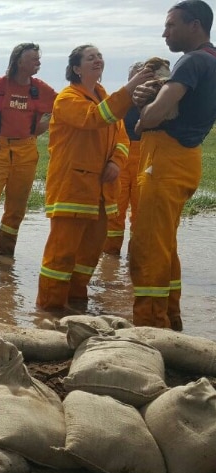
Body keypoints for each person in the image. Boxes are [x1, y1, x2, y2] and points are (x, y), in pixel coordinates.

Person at [36, 45, 154, 311]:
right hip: (72, 190)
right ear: (76, 68)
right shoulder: (67, 98)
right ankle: (49, 308)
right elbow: (95, 119)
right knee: (61, 255)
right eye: (90, 57)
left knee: (89, 255)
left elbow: (122, 136)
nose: (98, 60)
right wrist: (131, 87)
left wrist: (116, 161)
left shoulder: (103, 95)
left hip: (101, 193)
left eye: (100, 56)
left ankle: (77, 305)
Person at [130, 0, 216, 330]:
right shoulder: (212, 60)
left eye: (171, 25)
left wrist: (143, 112)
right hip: (187, 158)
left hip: (164, 160)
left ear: (195, 26)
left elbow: (153, 115)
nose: (164, 33)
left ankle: (150, 326)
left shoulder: (191, 62)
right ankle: (171, 318)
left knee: (147, 247)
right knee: (166, 244)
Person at [0, 43, 57, 259]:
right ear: (18, 62)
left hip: (27, 151)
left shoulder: (40, 88)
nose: (38, 63)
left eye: (38, 59)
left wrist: (42, 126)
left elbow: (64, 107)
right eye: (33, 59)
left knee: (17, 208)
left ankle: (5, 256)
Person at [103, 62, 148, 256]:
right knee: (114, 210)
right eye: (136, 77)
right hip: (120, 161)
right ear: (130, 80)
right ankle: (110, 257)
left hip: (145, 161)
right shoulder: (119, 103)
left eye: (144, 78)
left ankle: (135, 256)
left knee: (142, 213)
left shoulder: (156, 103)